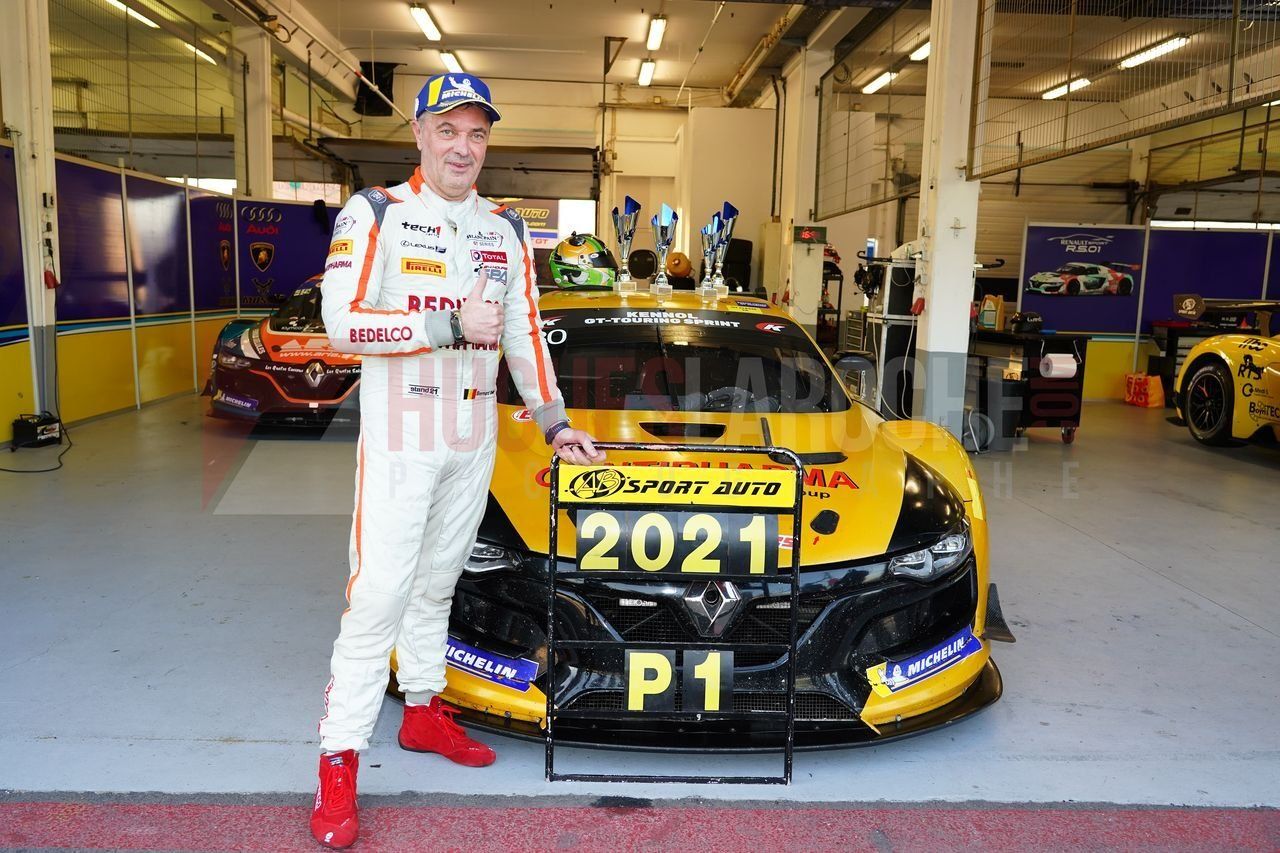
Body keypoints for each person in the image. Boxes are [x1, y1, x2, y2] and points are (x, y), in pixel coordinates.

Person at [310, 72, 605, 850]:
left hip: (473, 438)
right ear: (418, 134)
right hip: (401, 439)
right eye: (447, 130)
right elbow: (340, 324)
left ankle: (422, 712)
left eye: (476, 133)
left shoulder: (504, 227)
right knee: (378, 595)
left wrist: (554, 421)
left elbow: (524, 332)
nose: (462, 147)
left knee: (439, 582)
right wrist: (444, 324)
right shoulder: (375, 211)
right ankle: (339, 760)